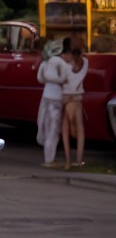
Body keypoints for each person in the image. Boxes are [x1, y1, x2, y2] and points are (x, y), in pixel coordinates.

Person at [36, 38, 71, 166]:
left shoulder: (45, 63)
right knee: (54, 129)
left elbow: (40, 78)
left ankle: (48, 157)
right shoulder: (59, 62)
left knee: (46, 125)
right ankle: (50, 159)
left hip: (46, 95)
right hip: (57, 96)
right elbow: (64, 77)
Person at [60, 42, 90, 169]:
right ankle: (79, 160)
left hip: (66, 98)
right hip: (77, 98)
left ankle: (67, 160)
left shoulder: (64, 64)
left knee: (65, 130)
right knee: (80, 130)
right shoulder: (85, 63)